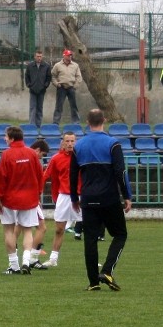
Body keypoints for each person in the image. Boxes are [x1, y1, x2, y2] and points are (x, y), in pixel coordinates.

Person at [70, 109, 132, 291]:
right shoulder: (113, 144)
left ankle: (93, 283)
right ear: (104, 120)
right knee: (120, 234)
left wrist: (74, 197)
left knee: (90, 239)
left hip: (88, 199)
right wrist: (127, 196)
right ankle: (106, 270)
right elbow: (120, 172)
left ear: (87, 122)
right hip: (109, 198)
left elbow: (73, 175)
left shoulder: (78, 146)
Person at [0, 126, 44, 275]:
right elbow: (39, 175)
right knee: (28, 230)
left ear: (12, 138)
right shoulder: (32, 153)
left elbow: (1, 178)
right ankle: (26, 261)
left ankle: (14, 265)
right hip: (29, 199)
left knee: (9, 230)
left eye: (6, 136)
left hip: (10, 199)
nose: (4, 139)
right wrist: (38, 193)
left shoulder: (7, 154)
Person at [41, 131, 82, 268]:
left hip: (81, 196)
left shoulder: (81, 157)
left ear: (76, 142)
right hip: (63, 197)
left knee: (89, 228)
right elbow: (45, 176)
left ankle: (92, 258)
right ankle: (53, 259)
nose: (70, 143)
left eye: (72, 141)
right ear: (62, 143)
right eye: (67, 141)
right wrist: (35, 192)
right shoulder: (56, 158)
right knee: (59, 229)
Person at [26, 139, 50, 269]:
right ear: (37, 150)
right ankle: (31, 259)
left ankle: (16, 261)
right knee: (41, 228)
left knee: (18, 228)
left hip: (20, 199)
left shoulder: (24, 158)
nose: (42, 157)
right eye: (42, 154)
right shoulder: (32, 161)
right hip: (30, 199)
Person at [51, 49, 82, 125]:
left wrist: (75, 86)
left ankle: (76, 122)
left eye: (70, 55)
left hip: (71, 87)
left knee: (73, 106)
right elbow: (53, 76)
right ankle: (55, 123)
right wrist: (56, 84)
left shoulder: (75, 65)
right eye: (68, 55)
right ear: (64, 56)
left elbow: (79, 77)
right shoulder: (57, 65)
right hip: (61, 87)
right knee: (59, 106)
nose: (70, 57)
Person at [25, 50, 52, 128]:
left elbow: (48, 77)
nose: (39, 58)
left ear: (42, 57)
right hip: (32, 90)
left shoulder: (46, 66)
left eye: (40, 56)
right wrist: (29, 85)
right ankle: (31, 125)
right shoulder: (30, 66)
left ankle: (38, 125)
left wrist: (45, 86)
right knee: (32, 107)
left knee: (40, 108)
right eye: (37, 56)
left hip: (42, 90)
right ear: (35, 57)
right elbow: (27, 76)